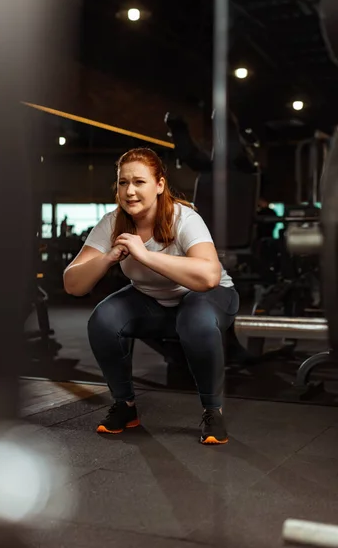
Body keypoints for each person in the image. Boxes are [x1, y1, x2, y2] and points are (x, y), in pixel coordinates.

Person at [63, 148, 239, 445]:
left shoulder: (183, 217)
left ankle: (213, 410)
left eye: (139, 182)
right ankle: (125, 406)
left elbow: (208, 277)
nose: (129, 191)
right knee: (103, 319)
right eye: (122, 183)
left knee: (194, 319)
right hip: (152, 300)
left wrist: (144, 255)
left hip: (208, 297)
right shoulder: (112, 222)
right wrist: (106, 259)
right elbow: (73, 284)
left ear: (159, 185)